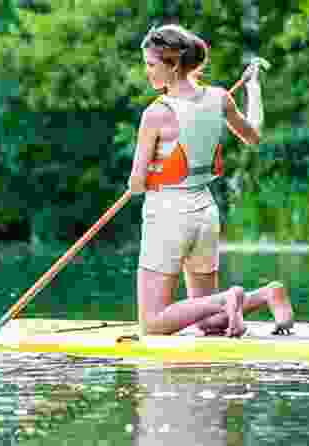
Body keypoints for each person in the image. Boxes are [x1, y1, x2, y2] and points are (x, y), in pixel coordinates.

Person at [128, 24, 293, 337]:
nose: (147, 72)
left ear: (173, 64)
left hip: (168, 214)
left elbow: (136, 184)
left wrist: (138, 182)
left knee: (151, 323)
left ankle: (229, 297)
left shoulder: (156, 113)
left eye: (151, 64)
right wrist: (253, 89)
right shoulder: (219, 98)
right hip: (205, 213)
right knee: (209, 320)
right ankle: (267, 294)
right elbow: (254, 136)